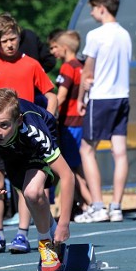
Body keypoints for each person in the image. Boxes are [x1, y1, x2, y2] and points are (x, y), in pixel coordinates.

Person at [0, 88, 74, 271]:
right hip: (11, 155)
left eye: (4, 125)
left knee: (32, 192)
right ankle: (50, 229)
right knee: (30, 196)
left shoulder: (35, 133)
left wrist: (64, 223)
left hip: (34, 150)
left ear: (18, 121)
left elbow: (68, 175)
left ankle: (46, 246)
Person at [0, 14, 57, 254]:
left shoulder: (31, 64)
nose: (10, 44)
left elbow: (52, 95)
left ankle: (22, 234)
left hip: (24, 137)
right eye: (5, 41)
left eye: (13, 38)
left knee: (24, 185)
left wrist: (46, 123)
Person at [76, 0, 131, 223]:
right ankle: (116, 206)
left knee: (86, 150)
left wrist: (80, 99)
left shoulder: (96, 35)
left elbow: (87, 73)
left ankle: (98, 206)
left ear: (102, 8)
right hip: (122, 97)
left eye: (93, 8)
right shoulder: (125, 34)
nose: (91, 12)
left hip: (101, 98)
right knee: (119, 152)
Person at [48, 30, 92, 219]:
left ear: (64, 48)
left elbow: (62, 95)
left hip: (70, 122)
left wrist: (50, 112)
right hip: (81, 120)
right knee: (79, 165)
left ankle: (92, 203)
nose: (52, 52)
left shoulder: (67, 67)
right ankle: (83, 203)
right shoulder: (82, 65)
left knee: (72, 168)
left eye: (55, 47)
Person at [0, 8, 56, 73]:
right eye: (4, 41)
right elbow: (49, 60)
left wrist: (35, 75)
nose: (10, 45)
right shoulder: (30, 34)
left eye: (12, 39)